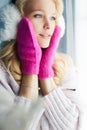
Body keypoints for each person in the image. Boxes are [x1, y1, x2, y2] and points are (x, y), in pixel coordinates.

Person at [0, 0, 84, 129]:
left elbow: (72, 126)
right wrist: (30, 70)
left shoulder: (65, 65)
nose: (48, 25)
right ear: (16, 21)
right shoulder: (2, 73)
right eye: (38, 15)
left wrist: (45, 73)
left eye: (53, 18)